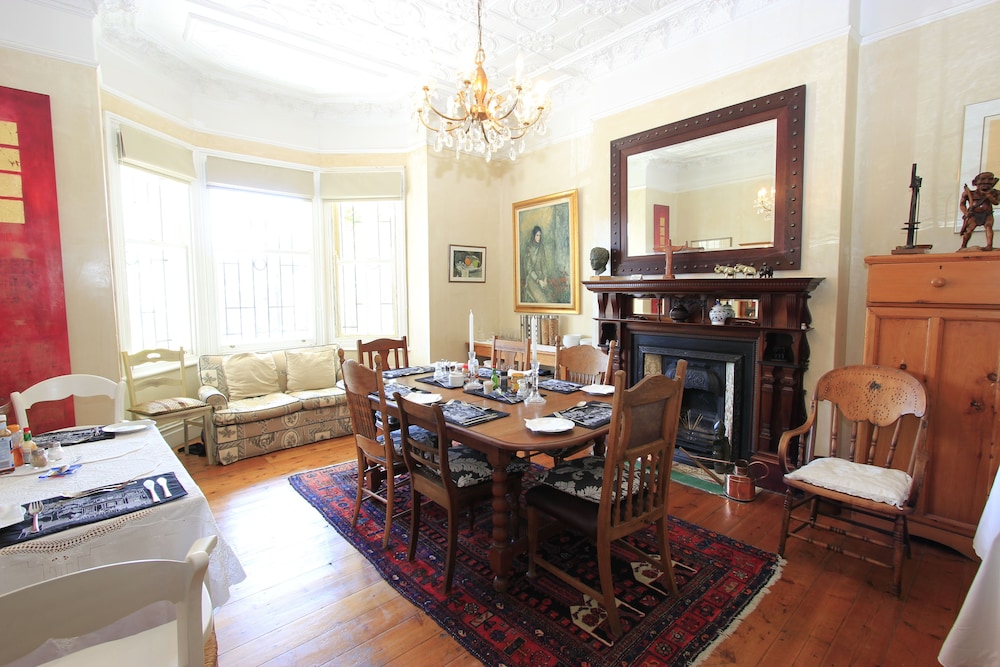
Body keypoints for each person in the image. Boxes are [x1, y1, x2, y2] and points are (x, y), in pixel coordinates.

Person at [959, 171, 1000, 250]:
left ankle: (989, 245)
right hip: (973, 215)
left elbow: (996, 202)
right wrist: (966, 213)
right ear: (975, 183)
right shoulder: (968, 194)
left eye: (989, 180)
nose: (986, 182)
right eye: (983, 180)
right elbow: (962, 205)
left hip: (987, 214)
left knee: (988, 227)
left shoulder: (995, 193)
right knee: (969, 230)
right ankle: (963, 246)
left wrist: (989, 196)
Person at [521, 225, 551, 303]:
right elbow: (529, 268)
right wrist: (538, 280)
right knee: (542, 300)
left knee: (550, 299)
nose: (539, 237)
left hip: (541, 277)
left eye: (540, 235)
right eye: (537, 235)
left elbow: (544, 264)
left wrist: (545, 278)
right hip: (532, 278)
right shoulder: (529, 247)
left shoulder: (541, 247)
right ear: (534, 235)